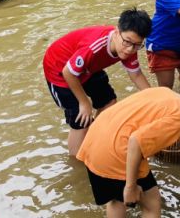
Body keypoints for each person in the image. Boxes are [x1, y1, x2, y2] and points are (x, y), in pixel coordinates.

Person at [77, 76, 180, 217]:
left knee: (116, 199)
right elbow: (135, 141)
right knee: (152, 203)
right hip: (115, 153)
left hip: (95, 140)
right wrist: (131, 186)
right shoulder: (178, 118)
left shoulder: (163, 91)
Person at [43, 9, 153, 156]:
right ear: (116, 32)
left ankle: (93, 138)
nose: (129, 50)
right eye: (127, 42)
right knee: (81, 119)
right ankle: (77, 159)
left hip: (88, 68)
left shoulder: (129, 47)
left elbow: (137, 75)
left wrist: (156, 98)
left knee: (109, 102)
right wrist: (84, 103)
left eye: (137, 45)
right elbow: (68, 72)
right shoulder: (94, 46)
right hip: (60, 70)